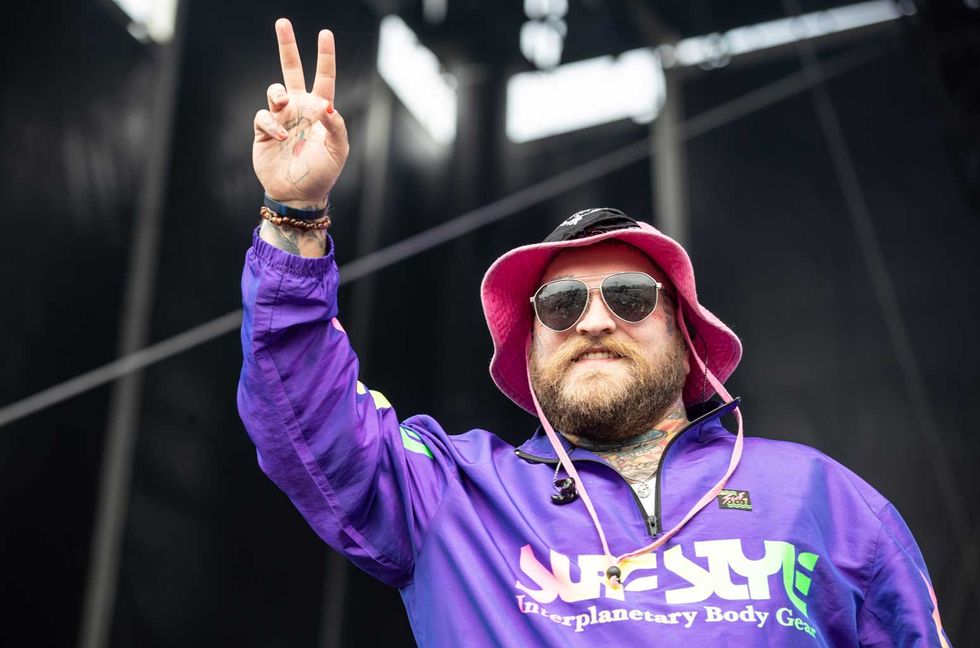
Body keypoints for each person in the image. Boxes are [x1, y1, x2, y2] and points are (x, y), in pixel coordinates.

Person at [238, 18, 952, 646]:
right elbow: (302, 413)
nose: (595, 318)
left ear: (687, 336)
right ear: (533, 344)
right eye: (559, 306)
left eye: (632, 297)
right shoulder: (454, 493)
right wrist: (295, 211)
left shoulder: (824, 498)